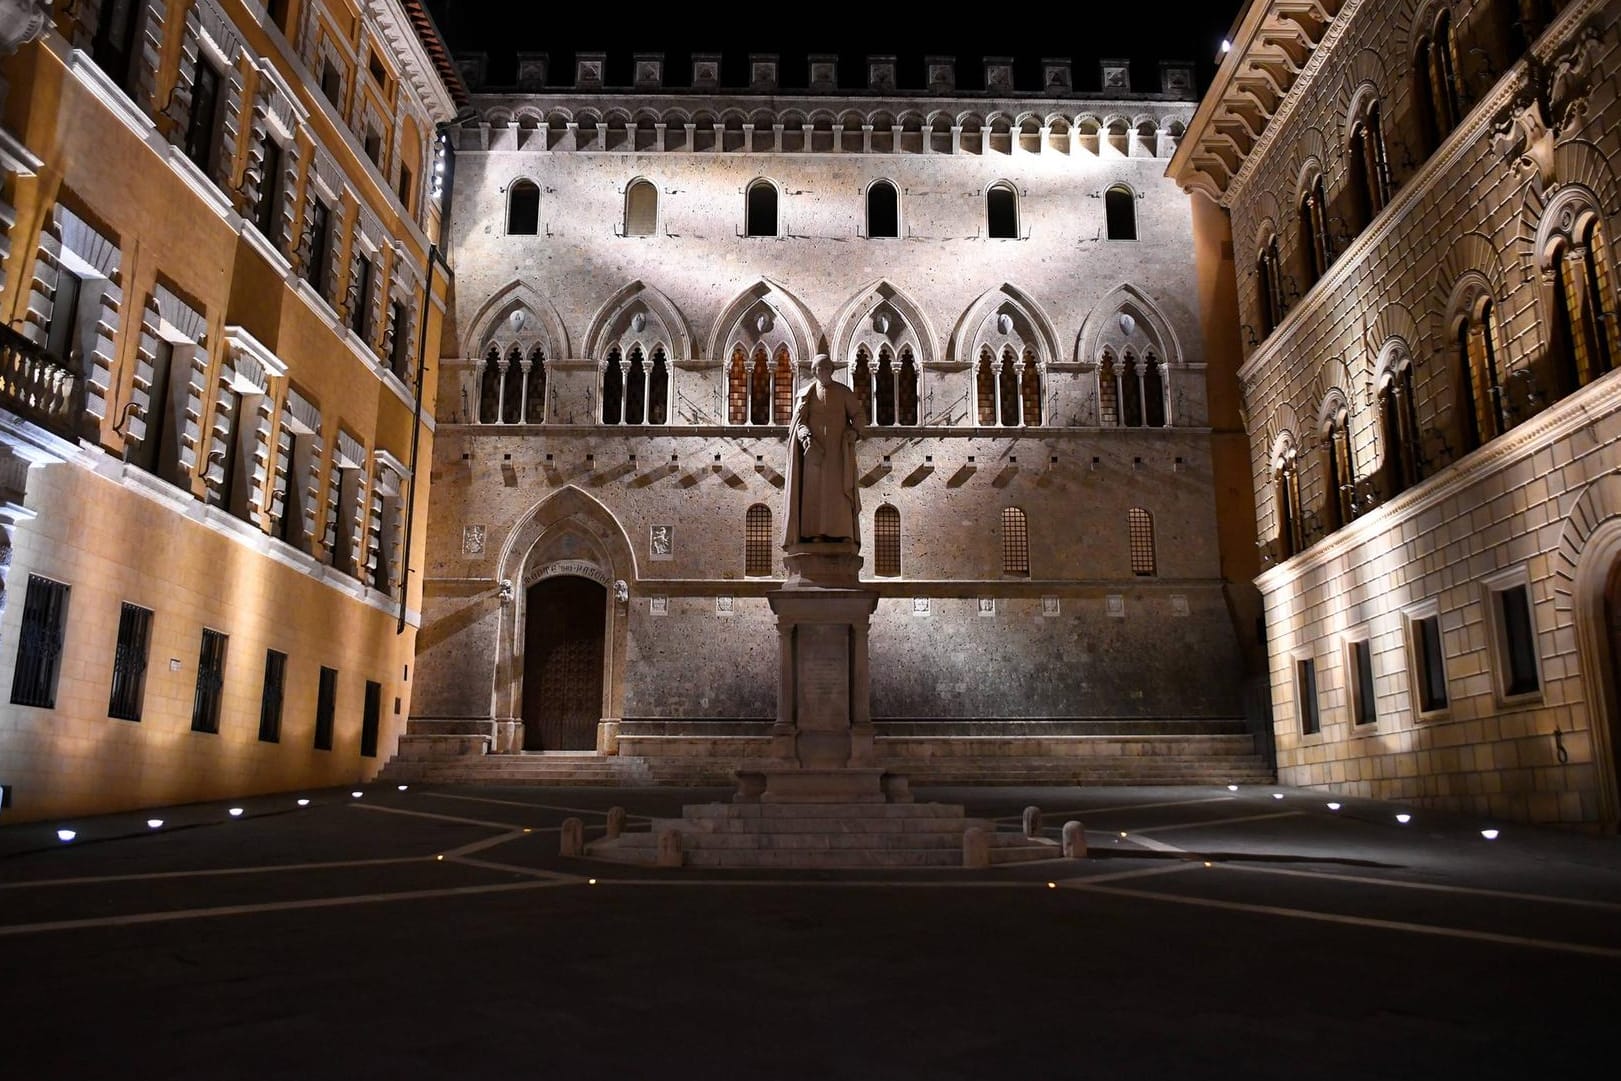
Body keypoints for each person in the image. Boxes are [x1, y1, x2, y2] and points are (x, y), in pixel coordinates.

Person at [783, 353, 866, 546]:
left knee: (839, 492)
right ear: (814, 371)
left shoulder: (844, 392)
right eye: (819, 368)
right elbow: (799, 423)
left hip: (838, 452)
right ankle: (815, 533)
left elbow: (859, 415)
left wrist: (855, 431)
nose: (823, 372)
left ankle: (844, 533)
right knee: (814, 494)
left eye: (827, 368)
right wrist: (805, 437)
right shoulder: (806, 395)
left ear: (832, 370)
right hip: (814, 454)